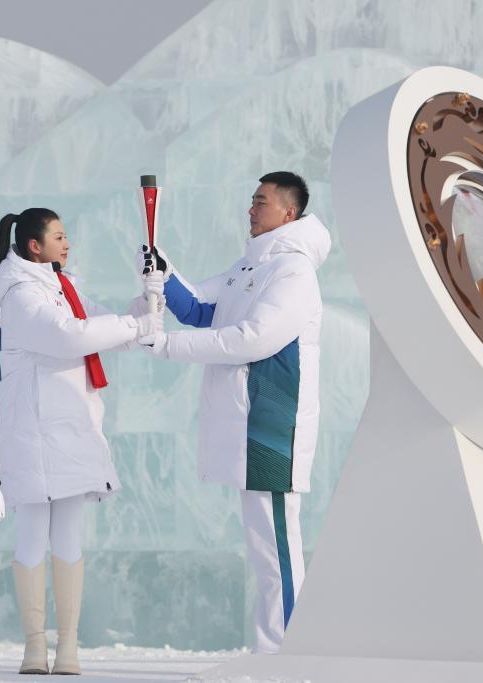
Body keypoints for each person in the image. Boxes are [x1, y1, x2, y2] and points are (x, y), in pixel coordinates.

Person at [137, 172, 331, 654]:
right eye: (252, 200)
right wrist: (164, 272)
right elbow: (201, 308)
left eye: (261, 202)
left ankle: (287, 654)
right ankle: (274, 652)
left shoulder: (294, 271)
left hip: (273, 424)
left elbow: (254, 339)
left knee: (276, 548)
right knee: (265, 548)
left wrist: (166, 346)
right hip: (249, 423)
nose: (251, 209)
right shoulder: (251, 265)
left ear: (288, 212)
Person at [0, 208, 163, 675]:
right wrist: (136, 326)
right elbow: (68, 337)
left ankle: (67, 647)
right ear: (34, 246)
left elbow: (106, 327)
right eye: (60, 236)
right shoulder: (20, 293)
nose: (68, 244)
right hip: (34, 432)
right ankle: (34, 647)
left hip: (72, 428)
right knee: (31, 536)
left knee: (67, 537)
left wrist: (148, 301)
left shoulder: (61, 286)